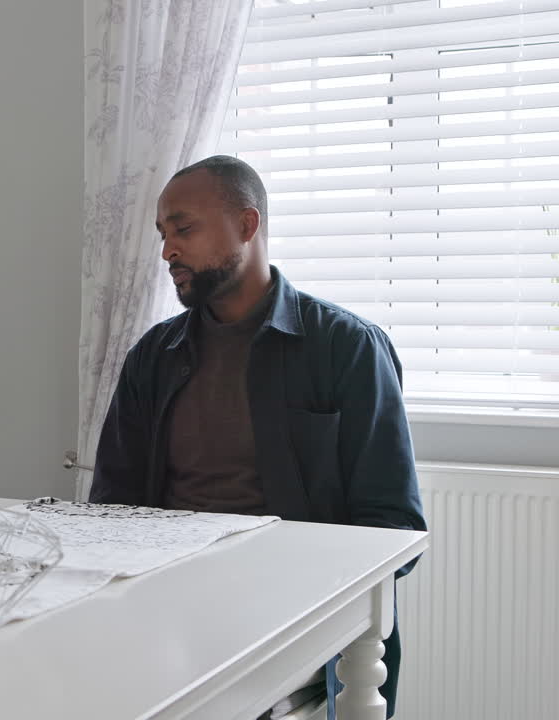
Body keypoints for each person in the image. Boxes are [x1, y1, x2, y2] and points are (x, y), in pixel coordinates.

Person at [90, 155, 425, 718]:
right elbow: (111, 510)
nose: (167, 251)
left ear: (247, 226)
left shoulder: (347, 349)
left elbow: (393, 530)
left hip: (296, 617)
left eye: (184, 229)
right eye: (163, 235)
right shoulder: (153, 356)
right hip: (169, 608)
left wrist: (281, 588)